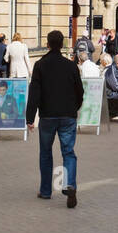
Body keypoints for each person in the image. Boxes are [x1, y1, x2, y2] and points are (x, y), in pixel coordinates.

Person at [26, 30, 85, 208]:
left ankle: (45, 191)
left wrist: (30, 118)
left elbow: (34, 93)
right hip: (67, 115)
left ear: (48, 44)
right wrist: (74, 108)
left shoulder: (40, 65)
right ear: (62, 45)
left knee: (45, 153)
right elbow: (80, 91)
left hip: (48, 116)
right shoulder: (71, 66)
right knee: (68, 152)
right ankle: (70, 185)